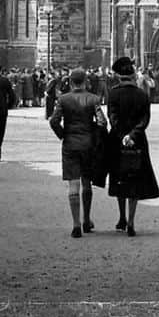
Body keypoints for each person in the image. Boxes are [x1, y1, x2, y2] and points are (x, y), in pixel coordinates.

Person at [49, 66, 107, 238]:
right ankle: (87, 220)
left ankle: (75, 224)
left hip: (70, 145)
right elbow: (102, 122)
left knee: (73, 184)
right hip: (88, 145)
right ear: (85, 81)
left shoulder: (63, 99)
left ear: (70, 82)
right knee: (87, 183)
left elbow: (54, 121)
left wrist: (63, 135)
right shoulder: (93, 99)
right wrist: (94, 135)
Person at [105, 56, 159, 235]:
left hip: (117, 141)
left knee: (119, 178)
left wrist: (122, 135)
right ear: (132, 76)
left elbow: (112, 118)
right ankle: (131, 221)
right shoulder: (142, 95)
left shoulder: (113, 93)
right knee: (135, 181)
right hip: (137, 141)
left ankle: (121, 217)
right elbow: (145, 120)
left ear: (119, 76)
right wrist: (132, 135)